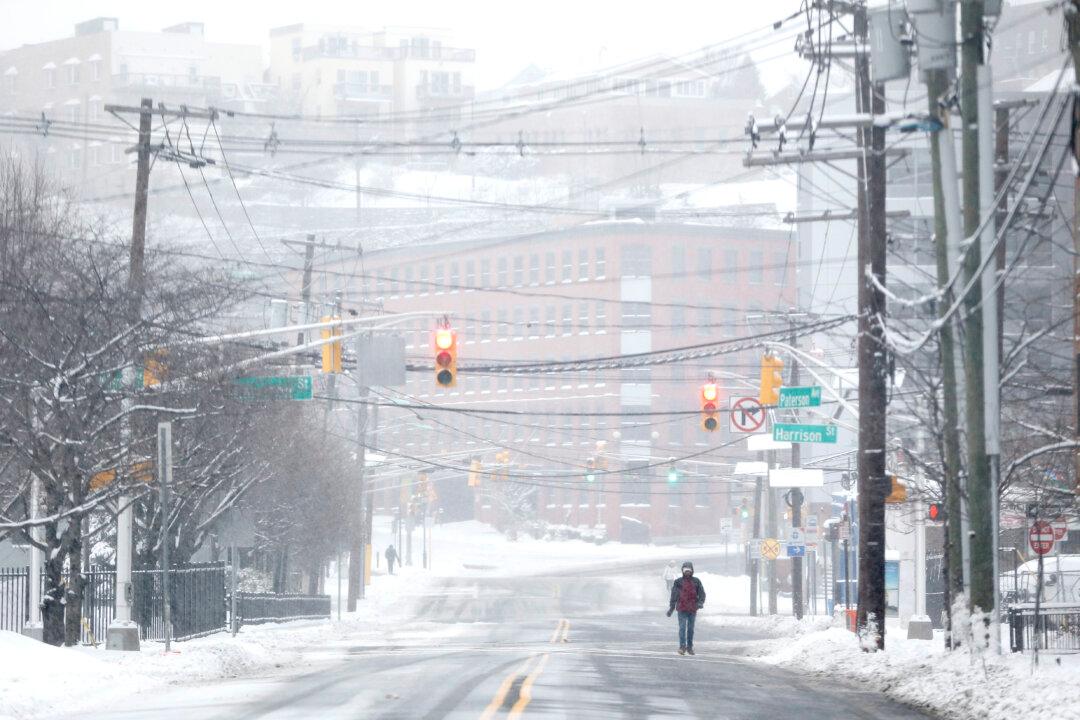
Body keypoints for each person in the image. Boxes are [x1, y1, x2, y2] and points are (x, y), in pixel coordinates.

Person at [666, 561, 705, 655]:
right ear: (682, 571)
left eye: (689, 570)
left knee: (691, 629)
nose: (687, 572)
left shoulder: (696, 581)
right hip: (682, 609)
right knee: (682, 628)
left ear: (692, 571)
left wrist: (700, 603)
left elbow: (702, 594)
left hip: (692, 609)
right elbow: (674, 596)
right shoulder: (678, 582)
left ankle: (690, 647)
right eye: (685, 570)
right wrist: (671, 608)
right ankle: (682, 647)